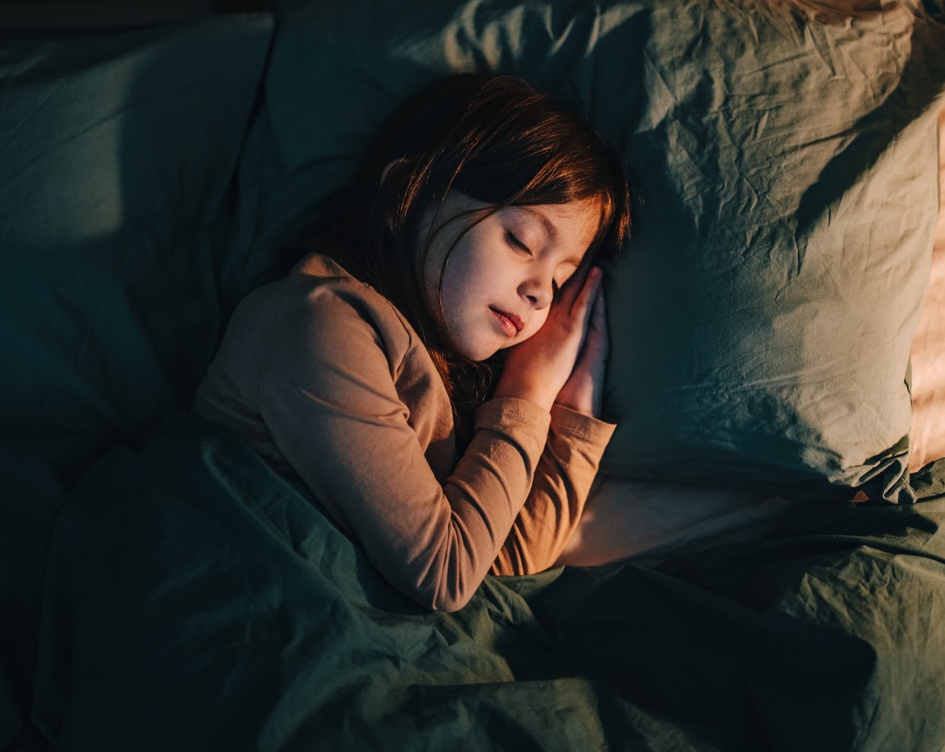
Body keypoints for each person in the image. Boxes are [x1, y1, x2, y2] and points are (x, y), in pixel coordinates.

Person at [193, 73, 631, 612]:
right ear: (410, 193)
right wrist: (527, 398)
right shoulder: (319, 322)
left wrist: (567, 423)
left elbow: (498, 567)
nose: (541, 292)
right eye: (521, 241)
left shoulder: (444, 379)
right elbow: (445, 574)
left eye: (562, 279)